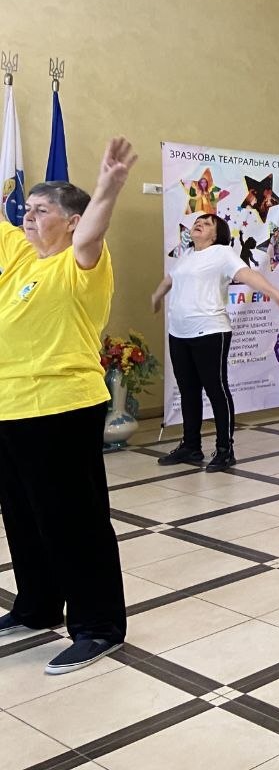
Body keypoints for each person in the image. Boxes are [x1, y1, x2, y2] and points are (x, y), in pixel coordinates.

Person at [0, 139, 135, 675]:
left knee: (73, 521)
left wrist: (107, 188)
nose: (29, 217)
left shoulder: (81, 263)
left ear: (72, 221)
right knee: (23, 517)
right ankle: (36, 607)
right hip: (10, 408)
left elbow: (94, 232)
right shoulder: (20, 258)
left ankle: (98, 626)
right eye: (27, 209)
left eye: (42, 210)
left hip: (61, 408)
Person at [150, 214, 279, 471]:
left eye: (207, 223)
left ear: (216, 235)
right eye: (198, 221)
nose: (199, 224)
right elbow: (170, 279)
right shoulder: (187, 255)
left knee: (216, 389)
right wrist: (156, 296)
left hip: (210, 332)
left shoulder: (222, 253)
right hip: (179, 334)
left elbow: (248, 275)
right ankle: (191, 446)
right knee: (188, 391)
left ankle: (225, 450)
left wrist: (274, 292)